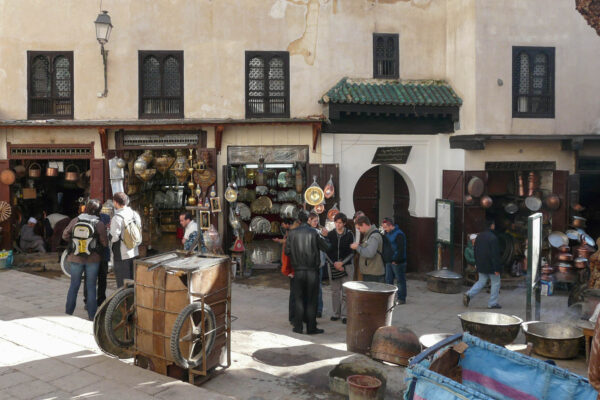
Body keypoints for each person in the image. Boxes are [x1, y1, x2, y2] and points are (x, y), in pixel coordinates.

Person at [285, 210, 330, 334]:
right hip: (312, 271)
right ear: (308, 219)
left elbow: (287, 251)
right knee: (311, 299)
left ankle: (298, 327)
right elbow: (326, 247)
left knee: (298, 298)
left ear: (299, 220)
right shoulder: (314, 232)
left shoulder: (292, 233)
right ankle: (311, 327)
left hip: (298, 270)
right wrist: (326, 237)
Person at [62, 199, 108, 320]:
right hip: (93, 260)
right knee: (91, 287)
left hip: (76, 258)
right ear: (98, 211)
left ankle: (68, 313)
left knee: (74, 286)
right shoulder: (99, 224)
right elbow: (104, 243)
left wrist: (75, 242)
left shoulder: (76, 220)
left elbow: (64, 235)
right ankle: (92, 317)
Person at [463, 219, 502, 309]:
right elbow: (495, 254)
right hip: (492, 266)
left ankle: (468, 294)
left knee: (481, 281)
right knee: (495, 283)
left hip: (481, 265)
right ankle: (492, 303)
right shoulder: (493, 238)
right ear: (492, 226)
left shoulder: (479, 237)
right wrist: (497, 268)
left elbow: (476, 251)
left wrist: (477, 264)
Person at [325, 213, 354, 324]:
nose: (337, 224)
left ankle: (345, 314)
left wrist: (342, 263)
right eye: (336, 222)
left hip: (346, 266)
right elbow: (327, 251)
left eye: (340, 222)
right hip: (333, 266)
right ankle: (336, 313)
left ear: (344, 223)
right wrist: (335, 264)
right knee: (335, 291)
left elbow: (351, 252)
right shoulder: (331, 234)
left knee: (346, 292)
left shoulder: (349, 234)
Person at [110, 192, 142, 288]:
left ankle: (124, 302)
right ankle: (132, 301)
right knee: (132, 281)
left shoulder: (117, 218)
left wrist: (108, 234)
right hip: (134, 251)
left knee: (122, 284)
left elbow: (114, 237)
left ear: (115, 202)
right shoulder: (135, 214)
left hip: (121, 254)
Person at [275, 218, 300, 324]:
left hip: (298, 271)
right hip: (294, 272)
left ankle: (296, 317)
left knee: (297, 295)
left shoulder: (294, 237)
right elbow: (286, 257)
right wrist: (287, 271)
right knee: (295, 295)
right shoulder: (292, 238)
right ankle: (294, 318)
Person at [351, 215, 385, 283]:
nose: (359, 231)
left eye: (359, 228)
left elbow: (369, 253)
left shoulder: (373, 236)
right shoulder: (368, 235)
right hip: (370, 272)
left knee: (374, 293)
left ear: (363, 224)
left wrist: (357, 247)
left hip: (374, 274)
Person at [382, 217, 407, 304]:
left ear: (390, 226)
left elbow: (401, 249)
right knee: (388, 280)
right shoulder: (386, 234)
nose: (384, 229)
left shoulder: (399, 234)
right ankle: (389, 298)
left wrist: (396, 260)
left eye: (385, 227)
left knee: (400, 280)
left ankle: (401, 298)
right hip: (389, 261)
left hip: (397, 262)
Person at [308, 212, 326, 318]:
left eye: (317, 220)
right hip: (310, 266)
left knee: (318, 288)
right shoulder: (307, 233)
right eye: (314, 220)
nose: (316, 222)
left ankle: (319, 309)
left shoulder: (319, 232)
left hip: (319, 265)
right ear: (309, 220)